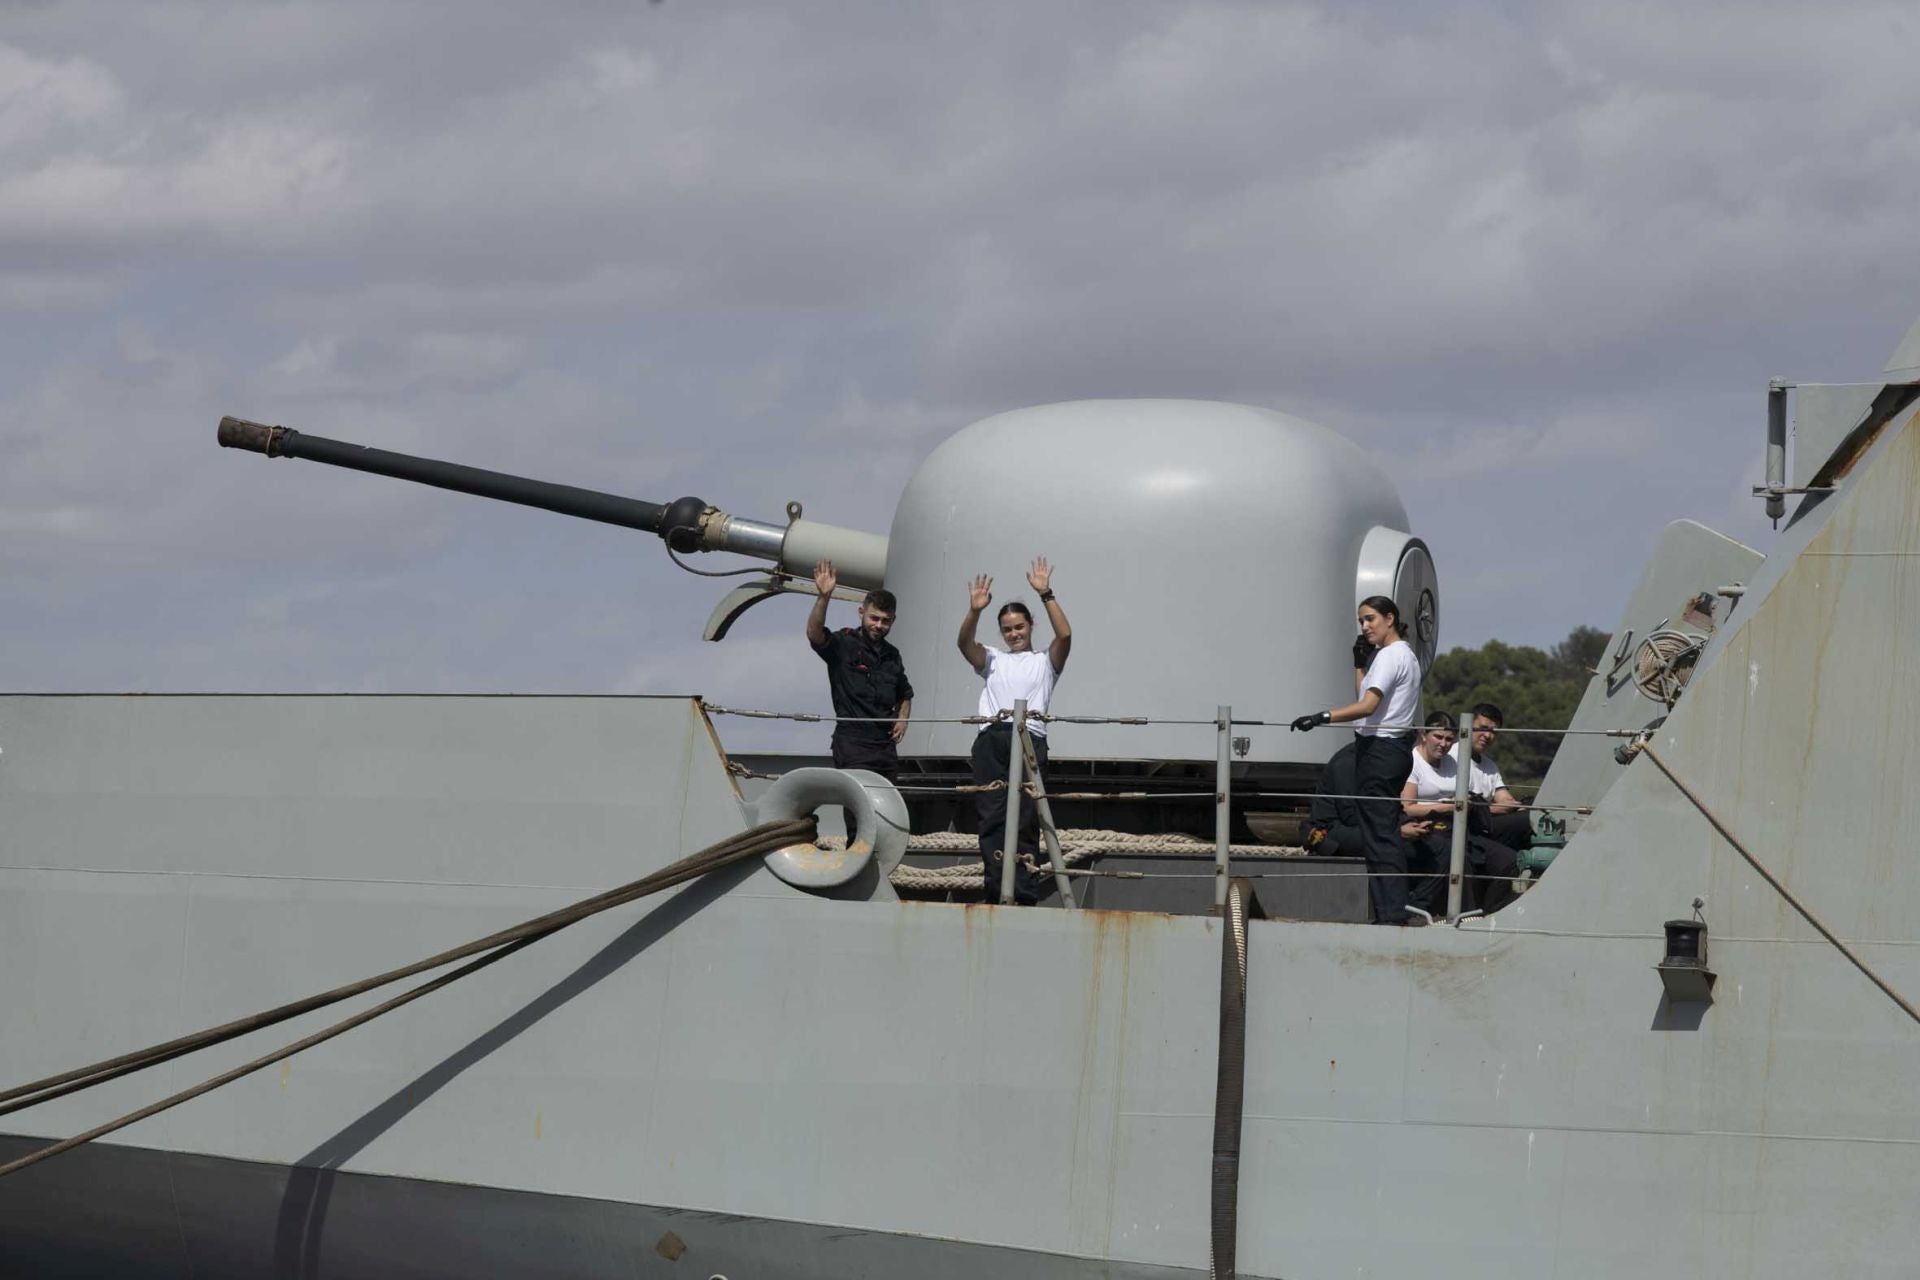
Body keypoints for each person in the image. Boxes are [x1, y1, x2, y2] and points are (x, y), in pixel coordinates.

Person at [1291, 595, 1424, 924]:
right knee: (1378, 836)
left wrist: (1321, 717)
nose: (1364, 627)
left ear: (1390, 618)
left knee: (1381, 838)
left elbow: (1366, 708)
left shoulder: (1392, 656)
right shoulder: (1398, 655)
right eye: (1361, 621)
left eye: (1370, 619)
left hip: (1381, 751)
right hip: (1383, 750)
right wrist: (1359, 663)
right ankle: (1386, 913)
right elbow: (1365, 696)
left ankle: (1392, 916)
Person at [957, 558, 1072, 905]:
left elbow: (1065, 635)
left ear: (1030, 625)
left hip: (1030, 738)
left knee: (1025, 820)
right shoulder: (992, 659)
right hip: (993, 739)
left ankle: (1022, 895)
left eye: (1019, 627)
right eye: (1007, 629)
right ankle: (996, 892)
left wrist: (1046, 593)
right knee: (992, 818)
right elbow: (964, 644)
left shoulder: (1045, 662)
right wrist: (974, 611)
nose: (1014, 634)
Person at [1305, 736, 1445, 920]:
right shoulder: (1348, 763)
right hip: (1337, 831)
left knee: (1442, 849)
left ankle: (1415, 907)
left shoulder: (1378, 760)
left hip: (1375, 825)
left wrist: (1406, 824)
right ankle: (1392, 914)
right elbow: (1351, 816)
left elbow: (1386, 804)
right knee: (1389, 849)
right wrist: (1397, 832)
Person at [1401, 712, 1518, 916]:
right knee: (1460, 858)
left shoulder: (1453, 763)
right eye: (1438, 737)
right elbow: (1408, 807)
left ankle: (1490, 913)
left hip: (1460, 827)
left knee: (1509, 860)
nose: (1443, 744)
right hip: (1427, 828)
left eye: (1448, 739)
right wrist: (1447, 807)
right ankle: (1463, 916)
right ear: (1423, 735)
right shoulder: (1412, 762)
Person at [805, 560, 913, 781]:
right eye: (874, 618)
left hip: (884, 746)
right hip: (853, 743)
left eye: (886, 621)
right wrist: (823, 597)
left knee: (887, 806)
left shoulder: (893, 655)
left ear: (893, 621)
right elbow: (815, 635)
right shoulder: (844, 643)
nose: (879, 625)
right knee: (860, 806)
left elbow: (905, 694)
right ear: (861, 613)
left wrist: (902, 720)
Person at [1465, 702, 1533, 854]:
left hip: (1488, 824)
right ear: (1468, 726)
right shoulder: (1450, 757)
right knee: (1528, 820)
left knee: (1534, 816)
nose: (1488, 736)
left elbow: (1503, 797)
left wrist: (1519, 805)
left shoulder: (1490, 765)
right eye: (1483, 729)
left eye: (1494, 732)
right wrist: (1498, 808)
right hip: (1468, 828)